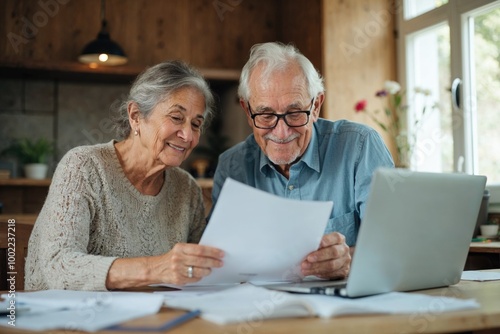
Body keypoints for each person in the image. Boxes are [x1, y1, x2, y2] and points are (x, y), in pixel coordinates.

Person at [25, 60, 225, 291]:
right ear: (136, 116)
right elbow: (58, 267)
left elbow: (202, 273)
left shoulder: (186, 188)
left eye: (196, 124)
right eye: (176, 118)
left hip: (153, 320)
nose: (187, 135)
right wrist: (155, 269)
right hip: (67, 320)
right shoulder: (83, 167)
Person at [211, 42, 394, 280]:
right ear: (247, 111)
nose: (282, 132)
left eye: (294, 113)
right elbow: (221, 262)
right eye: (266, 115)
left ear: (316, 105)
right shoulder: (231, 167)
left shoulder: (361, 147)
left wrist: (349, 260)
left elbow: (394, 247)